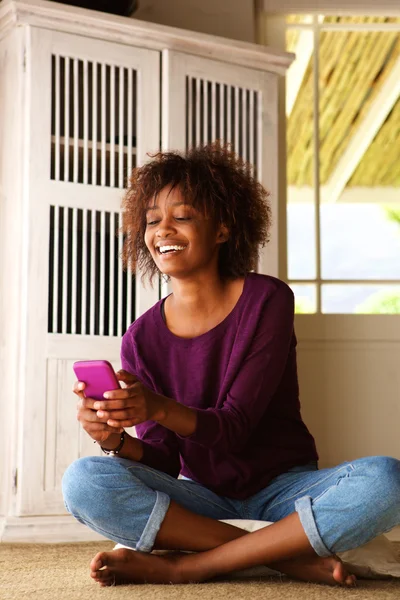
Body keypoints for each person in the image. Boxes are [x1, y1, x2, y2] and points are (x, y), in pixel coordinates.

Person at [62, 144, 400, 588]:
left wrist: (158, 406)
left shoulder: (267, 299)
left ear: (222, 228)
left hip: (286, 492)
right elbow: (164, 462)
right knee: (84, 481)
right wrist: (114, 440)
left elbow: (235, 427)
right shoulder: (140, 339)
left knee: (386, 481)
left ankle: (191, 564)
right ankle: (285, 558)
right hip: (203, 498)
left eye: (181, 216)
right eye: (151, 220)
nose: (163, 230)